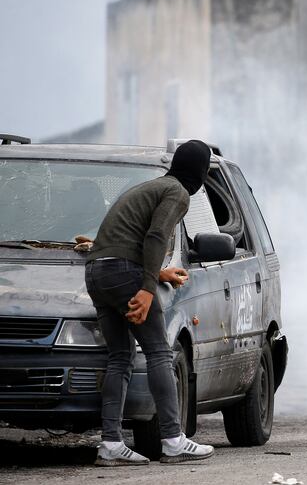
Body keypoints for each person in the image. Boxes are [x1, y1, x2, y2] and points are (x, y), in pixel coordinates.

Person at [85, 139, 215, 466]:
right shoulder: (177, 193)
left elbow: (122, 241)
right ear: (199, 172)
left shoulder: (151, 187)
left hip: (98, 273)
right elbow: (155, 236)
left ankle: (111, 444)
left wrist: (159, 274)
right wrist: (146, 287)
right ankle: (173, 440)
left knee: (120, 356)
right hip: (124, 274)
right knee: (159, 351)